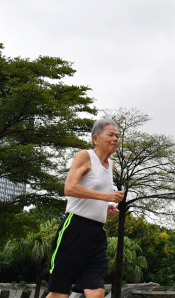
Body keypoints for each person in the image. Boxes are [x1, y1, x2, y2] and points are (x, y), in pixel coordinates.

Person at [46, 119, 125, 298]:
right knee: (59, 292)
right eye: (111, 135)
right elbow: (70, 189)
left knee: (96, 290)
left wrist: (106, 207)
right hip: (74, 228)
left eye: (118, 136)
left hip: (97, 233)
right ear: (95, 138)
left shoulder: (111, 166)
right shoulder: (85, 156)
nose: (116, 139)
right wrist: (105, 197)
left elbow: (95, 195)